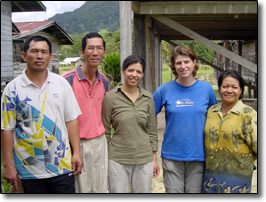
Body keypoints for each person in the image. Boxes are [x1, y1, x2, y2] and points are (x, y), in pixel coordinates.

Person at [1, 35, 82, 193]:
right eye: (34, 51)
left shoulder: (62, 84)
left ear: (50, 57)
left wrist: (77, 153)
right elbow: (6, 129)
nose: (39, 56)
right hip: (28, 170)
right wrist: (8, 165)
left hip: (62, 167)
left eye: (44, 52)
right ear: (24, 55)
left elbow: (71, 119)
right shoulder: (12, 90)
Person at [153, 46, 217, 193]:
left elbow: (214, 120)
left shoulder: (206, 89)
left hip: (198, 154)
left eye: (186, 62)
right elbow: (148, 115)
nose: (183, 66)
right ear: (174, 66)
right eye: (178, 63)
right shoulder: (164, 89)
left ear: (194, 62)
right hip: (172, 154)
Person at [102, 55, 159, 193]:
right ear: (123, 70)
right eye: (130, 70)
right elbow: (105, 129)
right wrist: (106, 157)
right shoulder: (111, 97)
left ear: (143, 74)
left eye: (138, 72)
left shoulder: (147, 98)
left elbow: (152, 129)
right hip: (118, 158)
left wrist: (154, 159)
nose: (134, 75)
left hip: (144, 159)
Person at [62, 32, 109, 193]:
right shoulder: (67, 80)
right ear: (82, 52)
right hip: (76, 144)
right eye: (90, 48)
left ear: (104, 52)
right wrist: (73, 150)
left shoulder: (104, 81)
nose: (95, 53)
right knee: (80, 189)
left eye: (99, 48)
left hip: (99, 142)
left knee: (101, 188)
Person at [203, 69, 257, 193]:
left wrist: (243, 161)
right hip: (210, 180)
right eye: (225, 86)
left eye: (234, 87)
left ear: (241, 90)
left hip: (237, 182)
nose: (229, 90)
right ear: (220, 88)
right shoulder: (211, 111)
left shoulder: (248, 114)